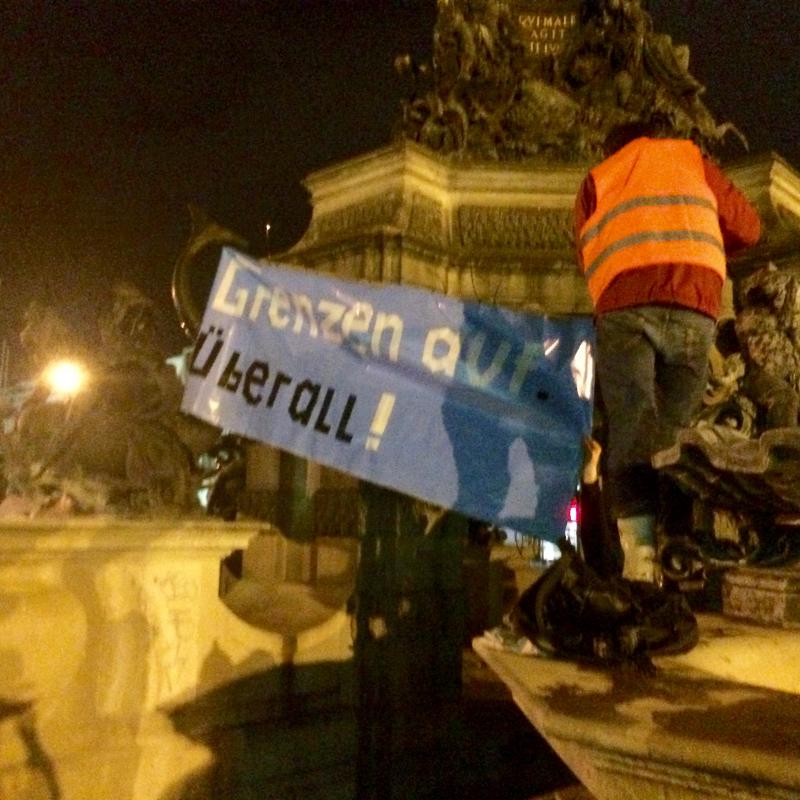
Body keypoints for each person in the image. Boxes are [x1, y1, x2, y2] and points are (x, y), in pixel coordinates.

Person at [574, 121, 761, 582]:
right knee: (677, 434)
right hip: (693, 304)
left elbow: (583, 240)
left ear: (613, 146)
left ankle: (639, 553)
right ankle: (679, 544)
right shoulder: (691, 159)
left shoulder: (599, 176)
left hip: (625, 306)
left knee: (633, 420)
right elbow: (750, 227)